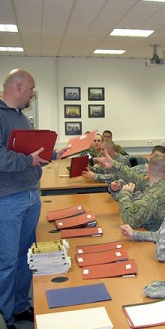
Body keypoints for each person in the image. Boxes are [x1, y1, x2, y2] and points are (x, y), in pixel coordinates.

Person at [0, 69, 66, 328]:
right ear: (18, 86)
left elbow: (30, 153)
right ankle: (5, 316)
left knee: (24, 257)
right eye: (31, 88)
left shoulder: (21, 118)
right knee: (6, 261)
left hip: (30, 195)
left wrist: (53, 154)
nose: (32, 93)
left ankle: (20, 305)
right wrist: (28, 160)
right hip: (8, 199)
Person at [95, 150, 165, 231]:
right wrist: (113, 164)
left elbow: (130, 220)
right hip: (154, 231)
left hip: (149, 237)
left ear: (147, 169)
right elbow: (136, 178)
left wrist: (125, 193)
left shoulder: (153, 196)